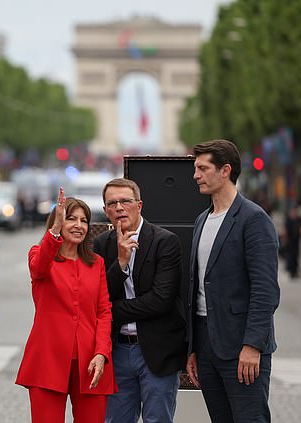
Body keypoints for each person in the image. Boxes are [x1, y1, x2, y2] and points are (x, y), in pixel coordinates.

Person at [186, 139, 280, 423]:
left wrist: (252, 346)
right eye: (196, 168)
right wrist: (193, 348)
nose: (195, 175)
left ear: (225, 170)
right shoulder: (202, 219)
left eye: (203, 168)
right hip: (206, 348)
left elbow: (265, 291)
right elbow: (197, 288)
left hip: (242, 349)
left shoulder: (254, 219)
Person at [16, 188, 116, 422]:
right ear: (59, 221)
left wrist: (102, 352)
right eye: (71, 218)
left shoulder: (97, 263)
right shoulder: (39, 256)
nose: (79, 225)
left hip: (90, 362)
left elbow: (104, 311)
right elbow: (39, 266)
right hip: (47, 360)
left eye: (84, 220)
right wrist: (54, 230)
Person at [92, 178, 186, 423]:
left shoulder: (164, 241)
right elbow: (98, 296)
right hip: (117, 349)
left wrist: (112, 310)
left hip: (156, 350)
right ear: (105, 211)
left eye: (125, 201)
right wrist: (121, 262)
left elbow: (161, 300)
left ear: (139, 205)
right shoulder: (101, 244)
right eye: (112, 203)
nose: (119, 207)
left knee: (157, 419)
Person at [283, 206, 301, 280]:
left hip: (296, 241)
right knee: (290, 256)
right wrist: (285, 239)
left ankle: (296, 271)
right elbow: (285, 230)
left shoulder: (298, 220)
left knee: (296, 256)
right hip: (290, 241)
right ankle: (291, 272)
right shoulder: (288, 220)